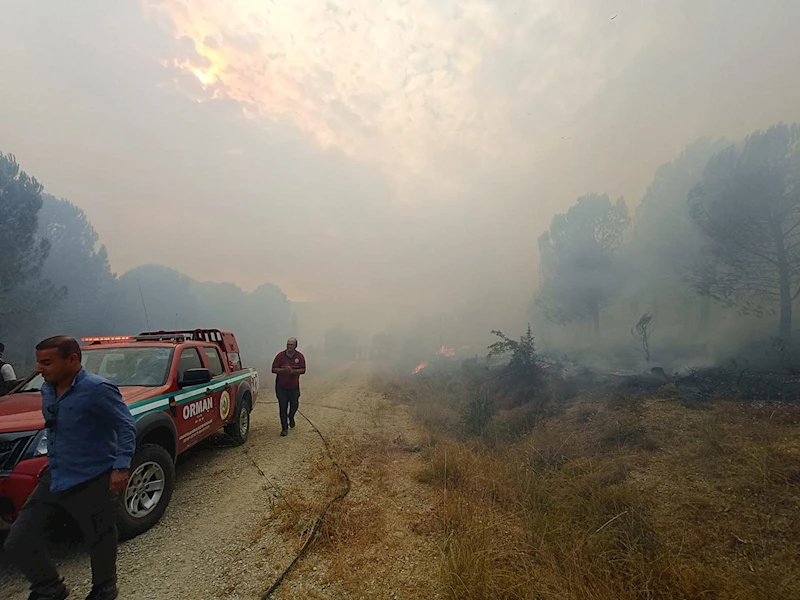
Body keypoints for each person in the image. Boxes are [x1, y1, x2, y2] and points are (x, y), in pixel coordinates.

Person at [3, 336, 136, 600]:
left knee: (99, 540)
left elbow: (125, 426)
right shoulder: (47, 389)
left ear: (72, 359)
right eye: (38, 362)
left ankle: (104, 590)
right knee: (18, 539)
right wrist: (52, 462)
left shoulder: (98, 389)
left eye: (47, 362)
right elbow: (57, 431)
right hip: (55, 476)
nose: (39, 368)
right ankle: (49, 588)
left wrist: (121, 467)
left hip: (94, 477)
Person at [271, 337, 306, 437]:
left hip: (294, 386)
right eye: (288, 344)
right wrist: (283, 371)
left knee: (294, 405)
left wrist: (293, 371)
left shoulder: (300, 356)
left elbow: (303, 370)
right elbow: (273, 369)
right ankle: (284, 428)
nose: (289, 346)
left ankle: (291, 417)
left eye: (291, 344)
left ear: (295, 346)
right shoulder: (280, 356)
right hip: (281, 387)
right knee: (283, 407)